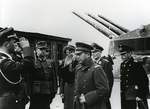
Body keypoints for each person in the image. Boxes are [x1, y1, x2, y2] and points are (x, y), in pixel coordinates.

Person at [0, 27, 35, 109]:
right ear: (6, 44)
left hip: (12, 100)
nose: (17, 44)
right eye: (14, 42)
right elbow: (28, 66)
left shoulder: (6, 59)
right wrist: (26, 47)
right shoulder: (3, 61)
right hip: (8, 103)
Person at [74, 42, 109, 109]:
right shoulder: (78, 68)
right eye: (76, 54)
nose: (77, 57)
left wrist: (87, 98)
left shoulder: (96, 69)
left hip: (94, 106)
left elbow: (103, 89)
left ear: (88, 54)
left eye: (79, 54)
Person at [118, 44, 149, 109]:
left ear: (130, 53)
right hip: (126, 95)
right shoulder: (122, 65)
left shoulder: (136, 64)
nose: (122, 56)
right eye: (121, 54)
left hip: (136, 94)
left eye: (124, 54)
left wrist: (140, 95)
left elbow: (144, 80)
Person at [29, 41, 58, 109]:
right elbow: (29, 78)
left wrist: (54, 90)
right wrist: (29, 92)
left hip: (47, 91)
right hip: (36, 91)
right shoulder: (33, 62)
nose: (43, 51)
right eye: (41, 49)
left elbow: (53, 78)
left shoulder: (50, 62)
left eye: (45, 49)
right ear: (36, 50)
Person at [91, 42, 114, 109]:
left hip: (103, 94)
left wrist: (107, 95)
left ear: (100, 52)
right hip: (95, 94)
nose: (93, 54)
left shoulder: (105, 63)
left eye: (95, 52)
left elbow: (109, 80)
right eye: (92, 52)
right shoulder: (92, 64)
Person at [59, 45, 78, 109]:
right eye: (67, 53)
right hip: (67, 87)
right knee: (67, 105)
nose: (69, 54)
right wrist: (61, 91)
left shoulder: (77, 62)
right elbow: (62, 78)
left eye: (71, 52)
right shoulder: (63, 62)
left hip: (75, 86)